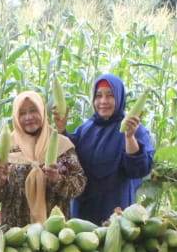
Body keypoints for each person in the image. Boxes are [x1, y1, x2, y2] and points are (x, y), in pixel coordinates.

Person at [54, 74, 154, 224]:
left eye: (110, 95)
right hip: (83, 211)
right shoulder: (85, 129)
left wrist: (129, 138)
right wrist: (62, 130)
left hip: (116, 210)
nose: (103, 101)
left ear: (119, 98)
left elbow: (138, 170)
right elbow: (69, 159)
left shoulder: (135, 130)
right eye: (98, 96)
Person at [0, 90, 85, 228]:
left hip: (54, 234)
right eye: (22, 113)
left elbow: (79, 185)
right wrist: (0, 181)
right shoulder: (8, 146)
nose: (28, 117)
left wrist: (57, 180)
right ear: (15, 116)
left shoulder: (61, 144)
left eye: (33, 110)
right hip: (16, 234)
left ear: (42, 111)